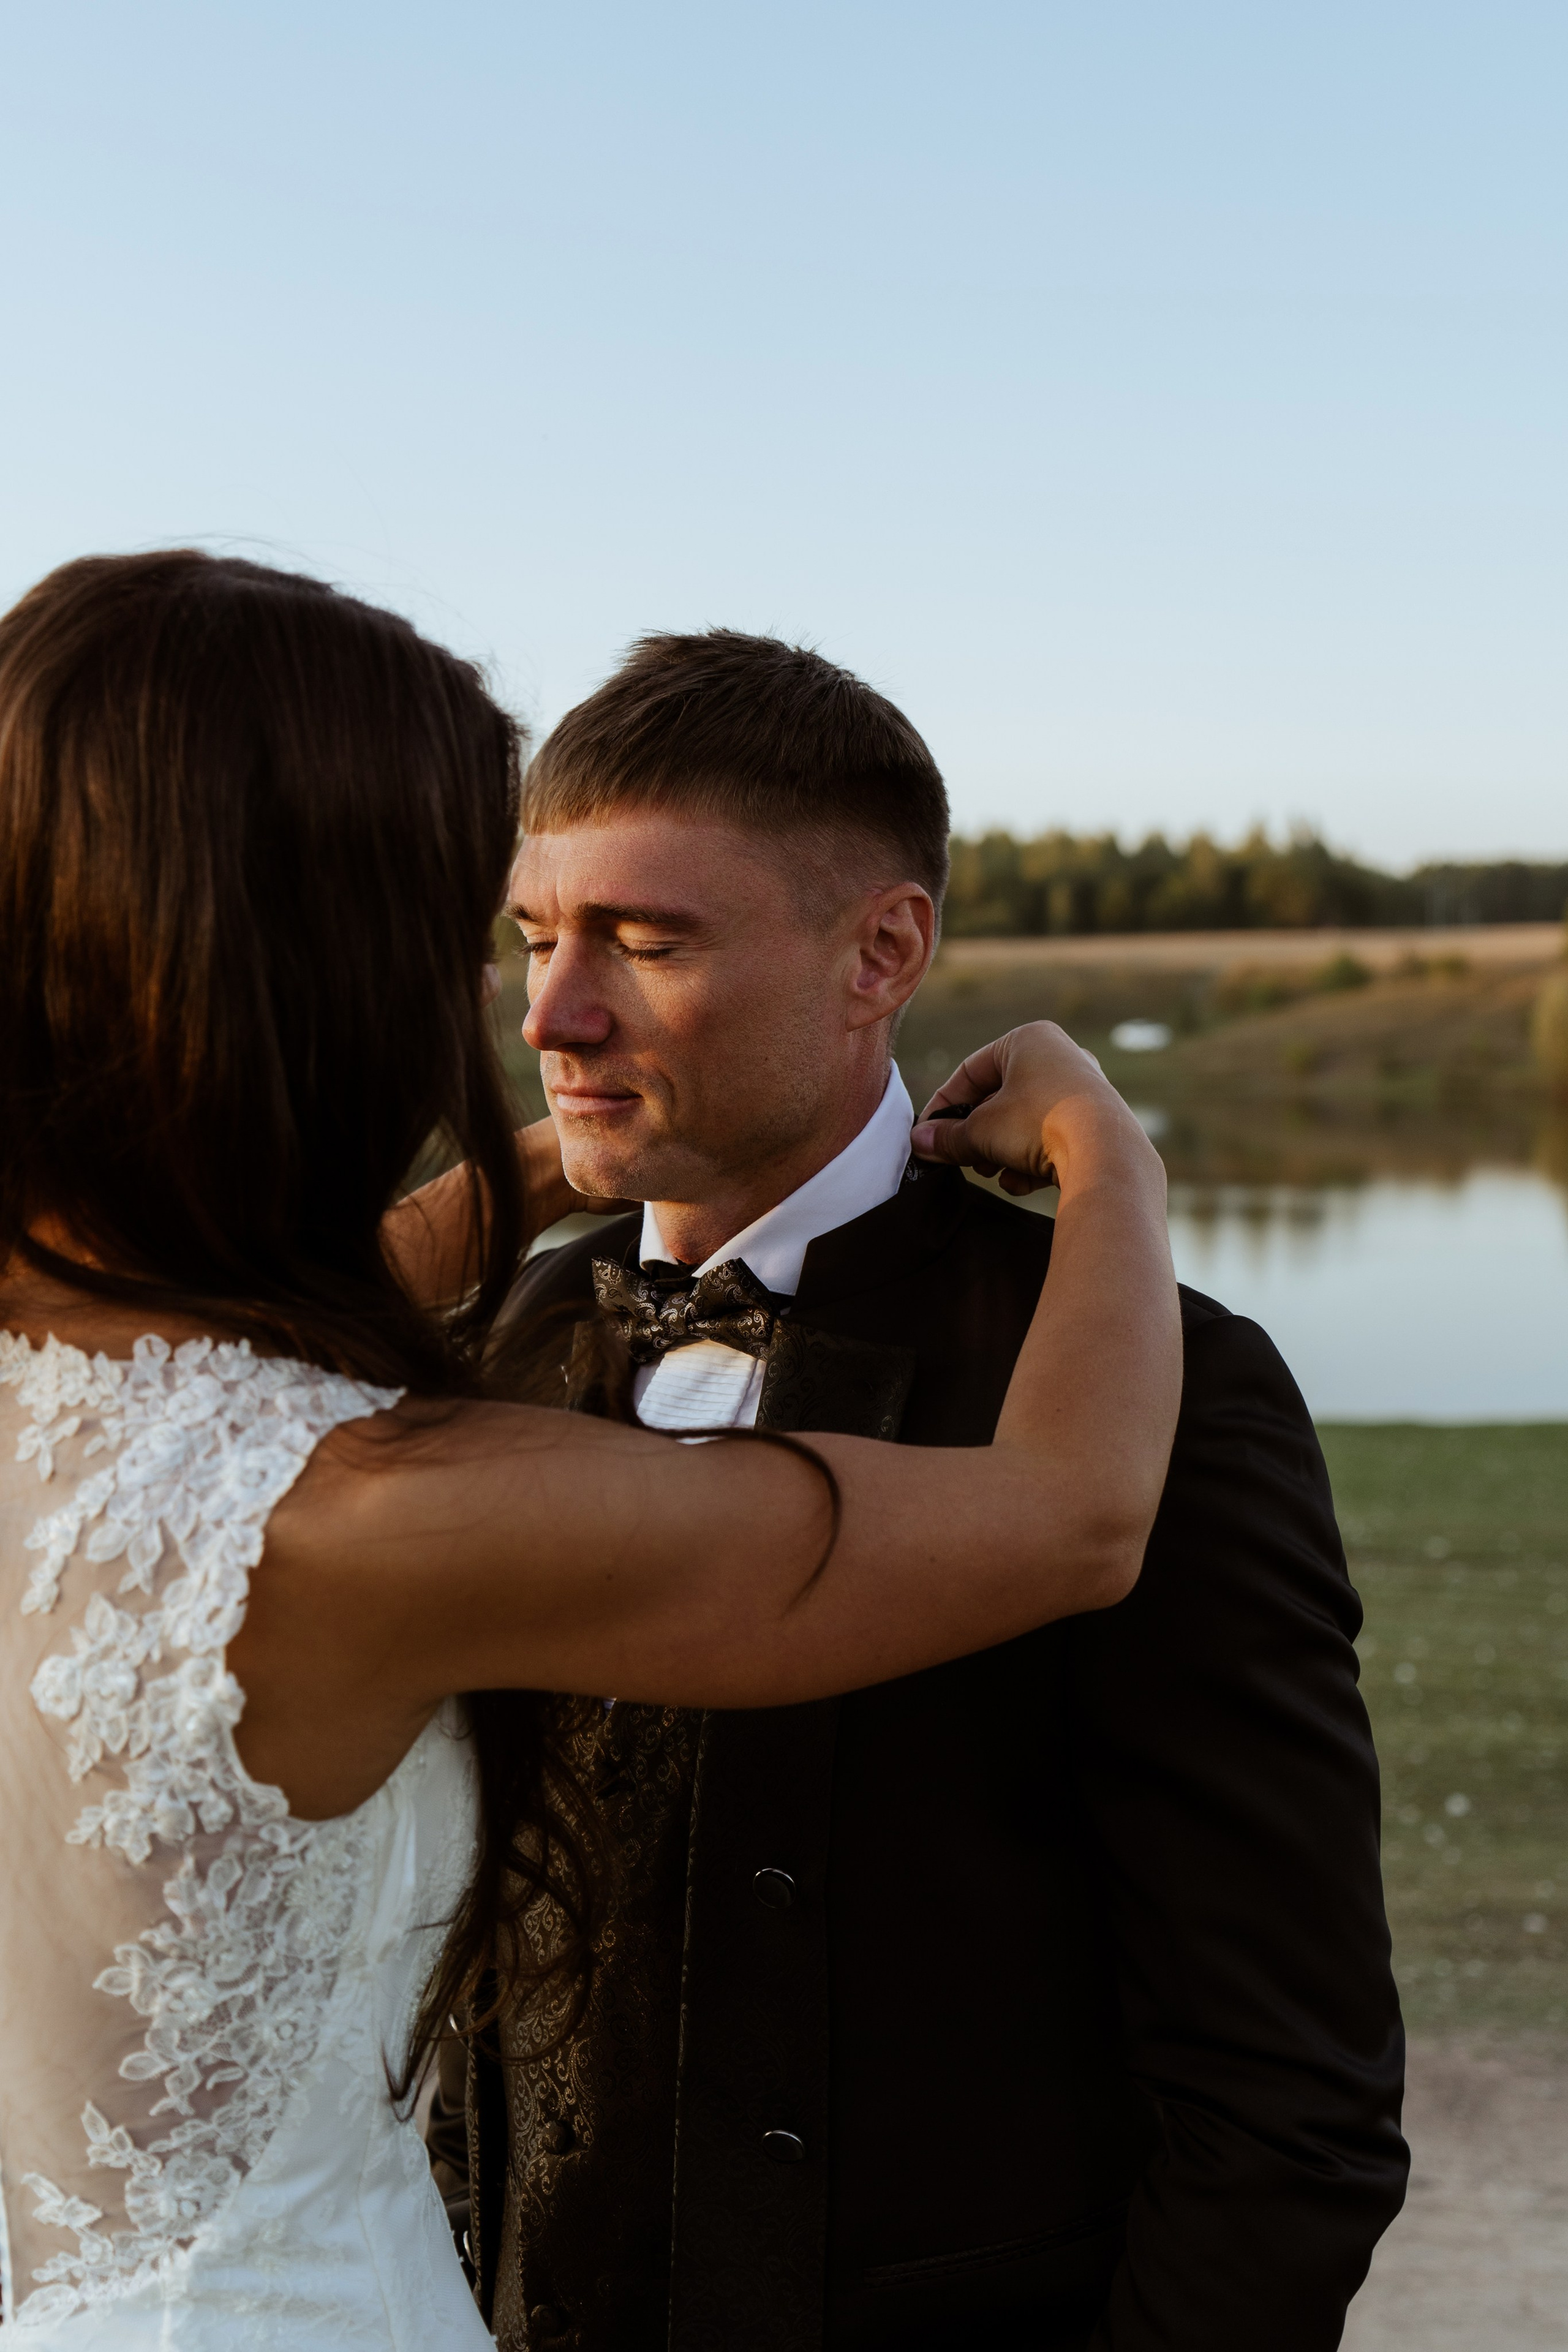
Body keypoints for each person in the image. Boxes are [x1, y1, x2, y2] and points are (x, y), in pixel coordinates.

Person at [0, 556, 1180, 2350]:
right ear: (286, 966)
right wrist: (1115, 1159)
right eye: (491, 935)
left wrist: (584, 1154)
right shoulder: (359, 1505)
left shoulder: (98, 1376)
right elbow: (1076, 1516)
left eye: (641, 941)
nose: (537, 1015)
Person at [426, 630, 1409, 2352]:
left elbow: (1287, 2102)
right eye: (537, 939)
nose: (552, 1014)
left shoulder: (1156, 1376)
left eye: (647, 946)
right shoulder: (483, 1334)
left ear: (884, 952)